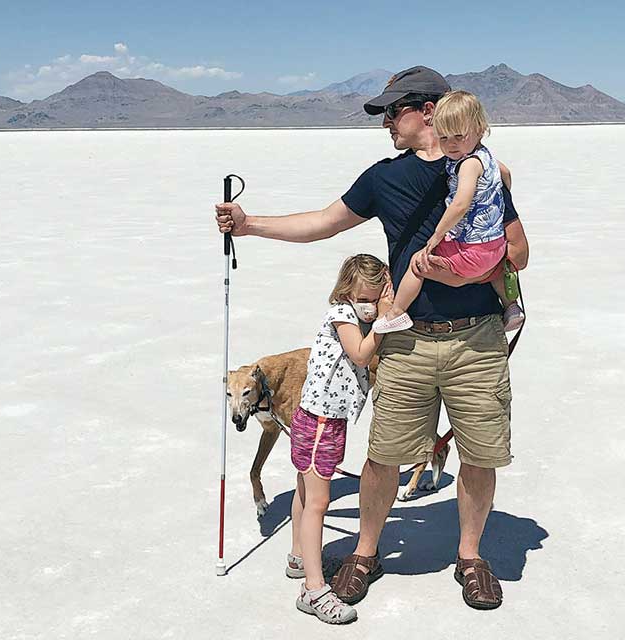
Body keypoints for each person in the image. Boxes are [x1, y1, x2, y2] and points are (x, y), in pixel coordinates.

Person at [216, 65, 529, 611]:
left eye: (393, 111)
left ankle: (471, 557)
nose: (385, 122)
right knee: (384, 455)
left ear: (427, 111)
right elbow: (324, 221)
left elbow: (520, 253)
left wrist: (465, 273)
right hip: (404, 340)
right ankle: (364, 553)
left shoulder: (481, 171)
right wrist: (248, 225)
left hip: (476, 340)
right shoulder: (384, 178)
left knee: (479, 455)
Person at [286, 254, 388, 625]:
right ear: (346, 291)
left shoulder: (352, 315)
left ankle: (299, 555)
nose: (369, 306)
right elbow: (361, 356)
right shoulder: (342, 316)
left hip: (322, 419)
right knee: (318, 501)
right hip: (319, 422)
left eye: (376, 299)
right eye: (364, 298)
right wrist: (386, 319)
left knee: (304, 489)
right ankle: (314, 590)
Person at [372, 90, 525, 334]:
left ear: (479, 129)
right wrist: (498, 194)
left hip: (471, 251)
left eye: (458, 136)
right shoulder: (486, 157)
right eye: (443, 138)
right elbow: (505, 173)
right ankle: (511, 306)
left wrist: (435, 237)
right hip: (495, 247)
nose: (451, 145)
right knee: (492, 266)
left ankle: (397, 312)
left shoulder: (468, 164)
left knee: (417, 263)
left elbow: (460, 204)